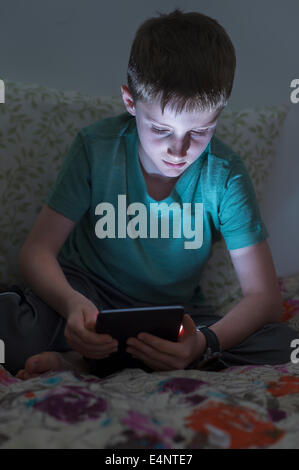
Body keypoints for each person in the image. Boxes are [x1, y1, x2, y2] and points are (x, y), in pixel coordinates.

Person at [2, 9, 297, 380]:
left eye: (201, 131)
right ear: (130, 102)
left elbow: (265, 298)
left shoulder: (224, 175)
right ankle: (91, 354)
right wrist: (73, 303)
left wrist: (203, 342)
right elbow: (36, 251)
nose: (179, 150)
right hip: (84, 299)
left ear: (220, 114)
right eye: (160, 128)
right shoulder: (97, 149)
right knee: (12, 322)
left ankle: (84, 363)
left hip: (172, 317)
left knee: (282, 344)